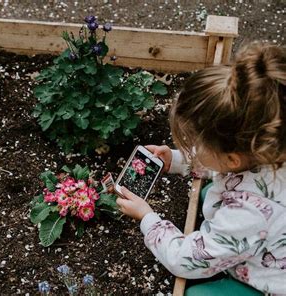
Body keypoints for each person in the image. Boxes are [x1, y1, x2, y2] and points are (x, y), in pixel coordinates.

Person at [116, 42, 286, 295]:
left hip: (271, 279)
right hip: (267, 232)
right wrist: (175, 160)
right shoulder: (269, 145)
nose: (192, 147)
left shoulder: (246, 214)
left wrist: (148, 218)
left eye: (197, 144)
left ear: (232, 160)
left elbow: (183, 261)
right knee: (210, 194)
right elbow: (221, 165)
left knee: (198, 294)